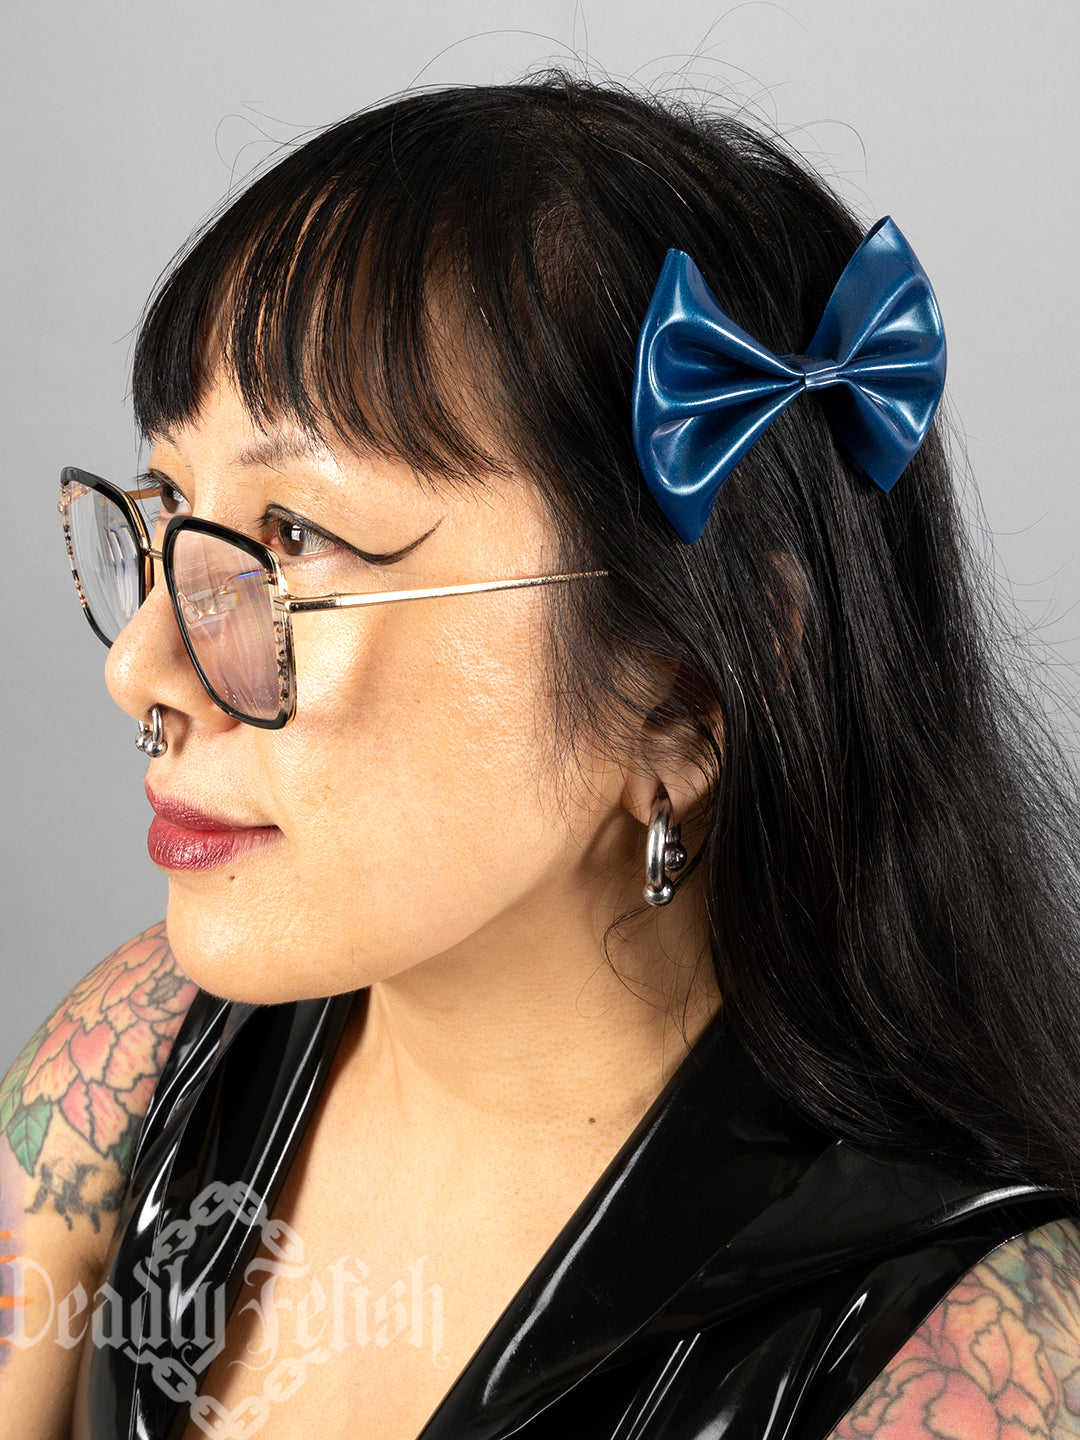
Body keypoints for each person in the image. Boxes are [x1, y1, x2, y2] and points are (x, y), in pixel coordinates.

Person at [3, 74, 1080, 1440]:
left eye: (295, 539)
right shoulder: (138, 1053)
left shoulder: (972, 1364)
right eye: (166, 508)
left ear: (680, 692)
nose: (141, 667)